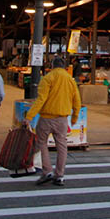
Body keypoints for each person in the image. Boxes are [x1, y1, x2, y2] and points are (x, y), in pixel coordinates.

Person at [27, 56, 81, 187]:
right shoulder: (70, 80)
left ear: (52, 66)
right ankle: (60, 175)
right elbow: (77, 100)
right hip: (62, 119)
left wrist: (29, 116)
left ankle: (47, 171)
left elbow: (41, 99)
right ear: (64, 67)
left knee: (42, 143)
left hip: (46, 117)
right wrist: (74, 117)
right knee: (62, 146)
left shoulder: (48, 78)